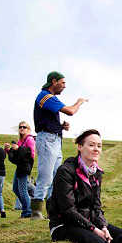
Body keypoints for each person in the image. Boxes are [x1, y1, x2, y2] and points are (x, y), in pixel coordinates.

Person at [32, 71, 87, 220]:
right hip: (48, 140)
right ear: (53, 81)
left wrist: (60, 126)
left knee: (56, 178)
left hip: (54, 139)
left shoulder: (50, 98)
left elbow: (45, 120)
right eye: (62, 83)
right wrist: (79, 102)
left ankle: (52, 213)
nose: (64, 86)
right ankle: (36, 213)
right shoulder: (46, 96)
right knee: (46, 176)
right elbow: (70, 111)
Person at [9, 122, 38, 219]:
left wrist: (19, 149)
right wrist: (9, 151)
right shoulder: (20, 141)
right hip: (19, 167)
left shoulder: (29, 139)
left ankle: (28, 211)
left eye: (24, 127)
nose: (22, 128)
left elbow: (31, 155)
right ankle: (27, 208)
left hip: (25, 167)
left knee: (22, 190)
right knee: (15, 189)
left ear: (28, 129)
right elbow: (15, 159)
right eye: (20, 127)